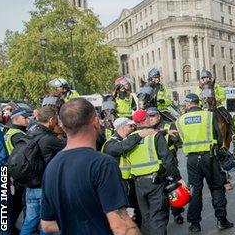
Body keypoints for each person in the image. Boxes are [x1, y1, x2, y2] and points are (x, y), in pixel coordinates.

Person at [40, 98, 139, 234]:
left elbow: (46, 224)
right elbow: (121, 227)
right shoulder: (103, 164)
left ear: (62, 125)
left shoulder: (51, 167)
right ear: (96, 122)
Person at [174, 93, 233, 232]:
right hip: (210, 157)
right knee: (217, 187)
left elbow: (181, 140)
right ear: (197, 102)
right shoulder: (208, 115)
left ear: (188, 103)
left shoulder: (180, 120)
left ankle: (195, 224)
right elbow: (219, 137)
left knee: (195, 191)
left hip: (192, 160)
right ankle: (221, 220)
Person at [126, 107, 184, 235]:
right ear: (146, 119)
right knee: (158, 218)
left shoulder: (129, 138)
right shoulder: (155, 136)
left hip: (139, 184)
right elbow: (168, 160)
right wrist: (178, 178)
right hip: (155, 183)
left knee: (146, 218)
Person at [101, 116, 156, 227]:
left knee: (136, 212)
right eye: (131, 126)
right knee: (129, 215)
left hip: (128, 182)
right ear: (122, 128)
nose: (133, 128)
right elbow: (121, 147)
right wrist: (139, 135)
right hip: (119, 184)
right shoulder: (111, 143)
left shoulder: (124, 140)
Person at [21, 106, 66, 235]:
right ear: (51, 119)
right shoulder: (49, 138)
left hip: (30, 185)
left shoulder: (31, 133)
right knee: (47, 224)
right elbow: (71, 144)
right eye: (56, 120)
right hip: (44, 186)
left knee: (30, 222)